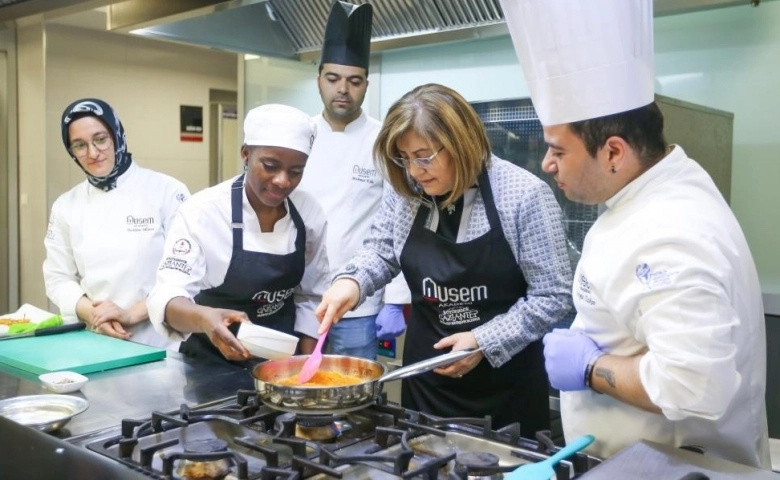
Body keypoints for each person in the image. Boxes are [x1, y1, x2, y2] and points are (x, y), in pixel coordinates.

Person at [500, 0, 770, 468]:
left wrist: (590, 368)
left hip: (674, 468)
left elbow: (695, 387)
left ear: (614, 153)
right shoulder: (654, 188)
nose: (547, 164)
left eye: (557, 150)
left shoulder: (671, 231)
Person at [315, 83, 573, 433]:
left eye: (424, 155)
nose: (415, 170)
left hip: (505, 389)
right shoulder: (407, 190)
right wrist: (352, 281)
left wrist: (484, 340)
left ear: (461, 142)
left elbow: (553, 296)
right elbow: (380, 250)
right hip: (427, 381)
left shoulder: (523, 196)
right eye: (403, 158)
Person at [147, 104, 329, 364]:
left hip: (279, 366)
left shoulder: (308, 211)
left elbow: (312, 294)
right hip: (207, 364)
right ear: (245, 154)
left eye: (295, 171)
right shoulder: (204, 212)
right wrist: (204, 319)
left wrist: (308, 365)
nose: (283, 181)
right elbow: (166, 296)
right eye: (270, 166)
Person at [297, 0, 410, 359]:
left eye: (354, 81)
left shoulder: (385, 141)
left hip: (359, 304)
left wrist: (397, 299)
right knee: (299, 396)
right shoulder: (298, 137)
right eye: (333, 79)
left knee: (354, 403)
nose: (342, 89)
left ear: (365, 85)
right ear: (318, 80)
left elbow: (402, 223)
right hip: (298, 300)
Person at [43, 98, 190, 349]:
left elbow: (187, 273)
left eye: (101, 139)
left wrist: (131, 314)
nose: (92, 153)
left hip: (161, 344)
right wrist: (93, 313)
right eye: (79, 145)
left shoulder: (167, 192)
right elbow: (58, 279)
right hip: (98, 341)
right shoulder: (65, 206)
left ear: (117, 134)